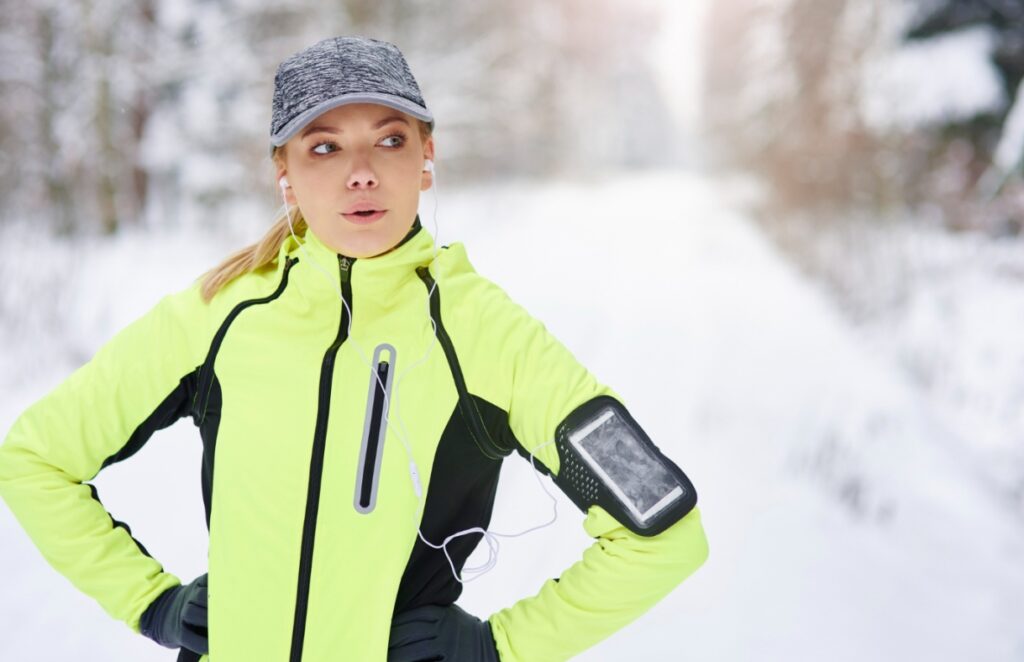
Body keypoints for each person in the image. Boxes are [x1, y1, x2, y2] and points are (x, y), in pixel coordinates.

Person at [0, 35, 709, 661]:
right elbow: (33, 459)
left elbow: (665, 530)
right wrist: (150, 602)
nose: (360, 172)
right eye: (324, 146)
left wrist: (502, 647)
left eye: (390, 139)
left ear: (427, 156)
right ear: (285, 170)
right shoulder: (217, 317)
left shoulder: (488, 336)